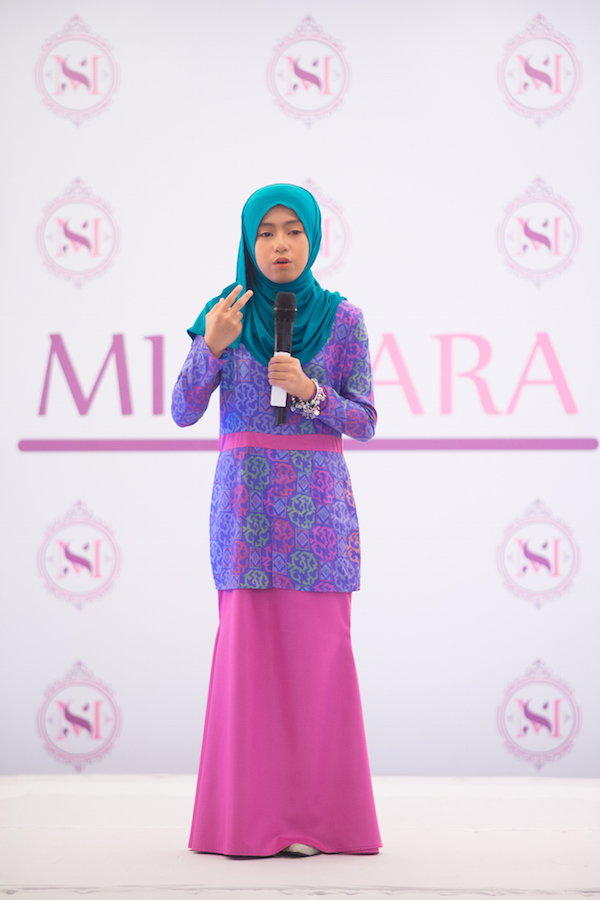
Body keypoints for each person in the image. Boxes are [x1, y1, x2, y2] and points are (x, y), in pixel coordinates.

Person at [172, 183, 381, 858]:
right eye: (265, 233)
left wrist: (311, 393)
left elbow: (365, 421)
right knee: (249, 668)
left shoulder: (344, 320)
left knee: (318, 665)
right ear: (248, 241)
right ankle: (247, 823)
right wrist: (210, 346)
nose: (280, 245)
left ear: (313, 239)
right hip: (245, 513)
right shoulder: (225, 312)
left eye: (293, 230)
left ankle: (322, 823)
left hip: (318, 514)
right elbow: (182, 410)